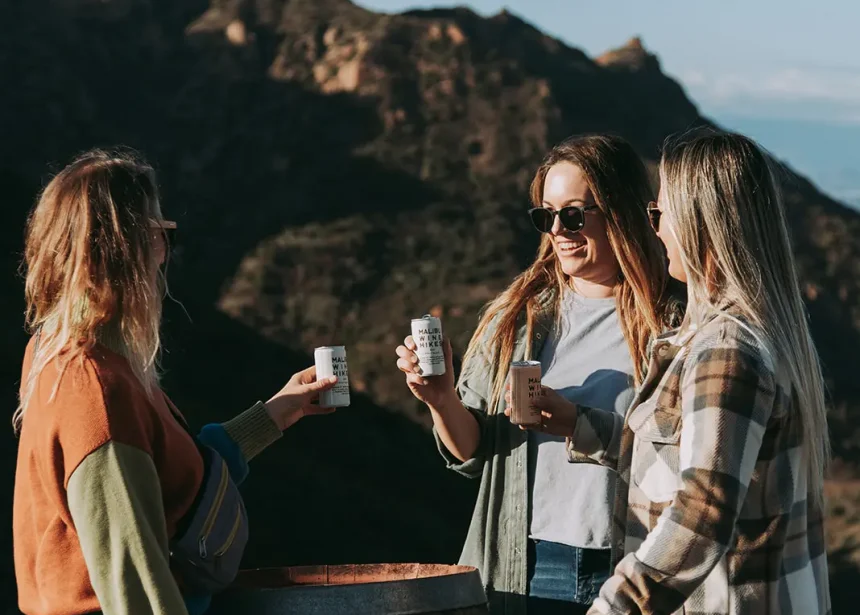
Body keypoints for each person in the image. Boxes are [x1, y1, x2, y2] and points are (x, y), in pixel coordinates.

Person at [12, 148, 338, 615]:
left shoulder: (57, 353)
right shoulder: (98, 392)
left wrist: (276, 413)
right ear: (127, 250)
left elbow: (174, 474)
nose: (164, 254)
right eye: (159, 235)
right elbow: (137, 589)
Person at [543, 131, 831, 614]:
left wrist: (614, 606)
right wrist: (580, 425)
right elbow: (690, 458)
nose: (654, 230)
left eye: (659, 215)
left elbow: (702, 509)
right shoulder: (761, 333)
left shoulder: (725, 350)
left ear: (700, 222)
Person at [395, 135, 681, 614]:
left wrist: (577, 423)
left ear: (621, 211)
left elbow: (691, 457)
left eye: (573, 214)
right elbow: (475, 450)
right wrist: (440, 398)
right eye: (546, 216)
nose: (559, 230)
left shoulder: (674, 321)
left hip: (636, 565)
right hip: (528, 565)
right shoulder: (517, 318)